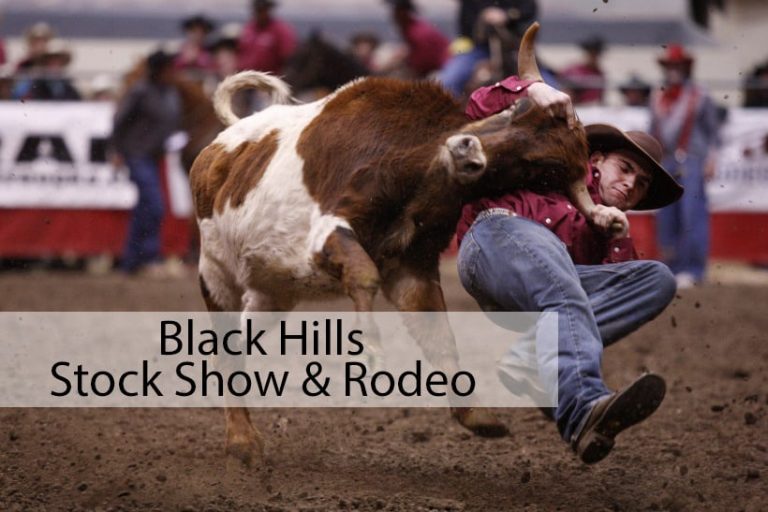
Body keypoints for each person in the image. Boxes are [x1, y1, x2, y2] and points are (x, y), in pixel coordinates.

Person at [456, 76, 684, 464]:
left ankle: (530, 359)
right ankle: (581, 407)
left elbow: (607, 294)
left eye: (641, 183)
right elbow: (477, 111)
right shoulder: (551, 164)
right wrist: (528, 88)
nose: (630, 184)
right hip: (493, 238)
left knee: (658, 279)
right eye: (625, 168)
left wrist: (612, 235)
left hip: (537, 296)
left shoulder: (612, 232)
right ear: (596, 160)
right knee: (561, 281)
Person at [650, 44, 721, 288]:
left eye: (677, 65)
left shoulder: (700, 95)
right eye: (670, 65)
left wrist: (712, 158)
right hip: (666, 161)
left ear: (686, 67)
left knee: (692, 214)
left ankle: (693, 268)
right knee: (667, 217)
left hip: (692, 159)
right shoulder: (657, 96)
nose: (673, 70)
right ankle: (670, 268)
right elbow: (653, 131)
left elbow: (713, 132)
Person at [111, 50, 182, 276]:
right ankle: (150, 256)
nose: (174, 72)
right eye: (170, 68)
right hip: (136, 154)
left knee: (144, 207)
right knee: (155, 204)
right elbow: (120, 121)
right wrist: (115, 150)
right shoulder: (140, 91)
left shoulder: (171, 93)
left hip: (154, 156)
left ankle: (130, 261)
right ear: (159, 70)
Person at [437, 0, 538, 98]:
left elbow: (529, 12)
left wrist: (507, 15)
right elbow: (466, 27)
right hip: (477, 49)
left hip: (517, 51)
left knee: (544, 86)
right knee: (448, 82)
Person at [384, 0, 450, 79]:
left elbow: (424, 59)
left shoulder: (417, 32)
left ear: (403, 13)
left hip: (443, 67)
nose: (393, 15)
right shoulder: (411, 28)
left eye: (397, 11)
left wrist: (401, 64)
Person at [237, 0, 297, 74]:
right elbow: (240, 52)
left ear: (268, 9)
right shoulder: (248, 28)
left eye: (263, 9)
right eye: (258, 9)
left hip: (270, 78)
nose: (260, 13)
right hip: (246, 76)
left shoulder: (281, 30)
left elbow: (288, 56)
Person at [15, 39, 81, 101]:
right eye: (51, 60)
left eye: (58, 61)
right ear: (45, 62)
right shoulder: (35, 86)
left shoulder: (69, 88)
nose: (54, 65)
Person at [560, 35, 606, 105]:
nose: (593, 56)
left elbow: (600, 98)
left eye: (596, 53)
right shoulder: (572, 71)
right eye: (591, 52)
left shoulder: (599, 74)